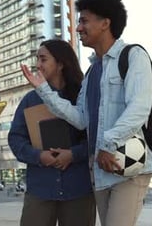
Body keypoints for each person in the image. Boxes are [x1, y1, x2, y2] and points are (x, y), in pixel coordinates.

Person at [21, 0, 152, 226]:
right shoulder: (93, 71)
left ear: (105, 23)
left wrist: (107, 144)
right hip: (101, 171)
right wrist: (43, 89)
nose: (78, 28)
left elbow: (139, 108)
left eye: (84, 20)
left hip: (127, 166)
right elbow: (81, 118)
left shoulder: (133, 56)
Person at [9, 39, 96, 226]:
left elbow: (96, 136)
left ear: (61, 63)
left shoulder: (82, 97)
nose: (37, 65)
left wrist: (73, 154)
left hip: (78, 188)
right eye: (37, 59)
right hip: (40, 188)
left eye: (43, 59)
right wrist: (39, 156)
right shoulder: (30, 100)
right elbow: (15, 139)